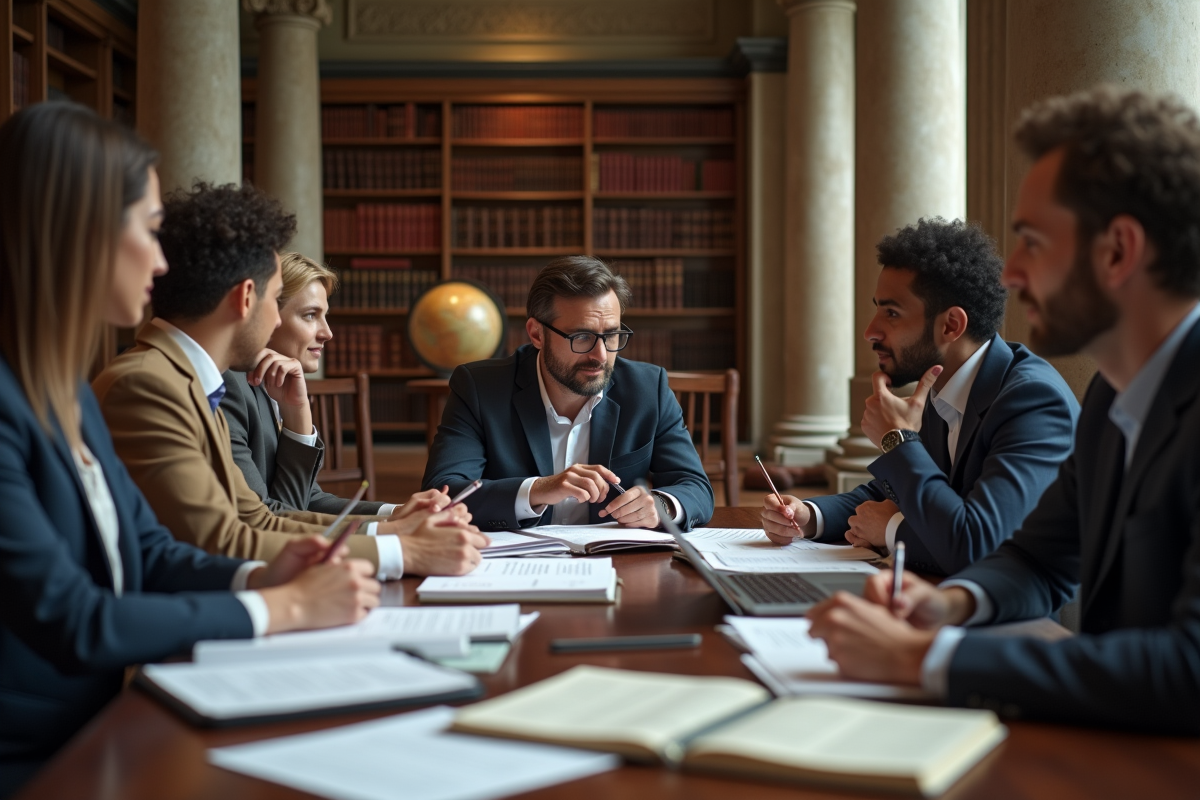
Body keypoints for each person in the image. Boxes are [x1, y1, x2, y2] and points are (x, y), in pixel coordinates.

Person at [0, 103, 380, 797]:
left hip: (106, 726)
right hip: (40, 761)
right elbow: (73, 619)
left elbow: (149, 554)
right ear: (78, 235)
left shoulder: (67, 391)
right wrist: (284, 608)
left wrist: (263, 578)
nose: (164, 260)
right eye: (148, 231)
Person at [806, 85, 1200, 734]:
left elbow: (1189, 667)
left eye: (1032, 242)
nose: (1011, 275)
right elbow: (1038, 560)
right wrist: (949, 604)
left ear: (1118, 251)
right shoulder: (1110, 395)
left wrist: (932, 659)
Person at [92, 182, 488, 579]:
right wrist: (401, 550)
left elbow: (255, 519)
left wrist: (396, 530)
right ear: (246, 297)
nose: (278, 320)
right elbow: (227, 539)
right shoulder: (151, 385)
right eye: (277, 298)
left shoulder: (190, 382)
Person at [761, 218, 1079, 575]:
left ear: (951, 326)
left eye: (891, 313)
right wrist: (809, 517)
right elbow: (895, 494)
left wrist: (894, 511)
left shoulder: (1033, 402)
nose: (870, 331)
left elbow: (979, 545)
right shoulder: (943, 384)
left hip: (1015, 623)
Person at [422, 255, 714, 532]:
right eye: (581, 336)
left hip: (614, 563)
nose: (600, 355)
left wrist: (659, 505)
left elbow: (695, 487)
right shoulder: (479, 388)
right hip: (515, 568)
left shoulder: (648, 389)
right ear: (537, 334)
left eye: (611, 335)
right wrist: (539, 489)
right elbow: (441, 493)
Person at [220, 252, 427, 516]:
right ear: (266, 316)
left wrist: (397, 512)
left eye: (324, 315)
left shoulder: (274, 388)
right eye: (309, 315)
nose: (327, 333)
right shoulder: (230, 386)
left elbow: (307, 498)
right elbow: (269, 517)